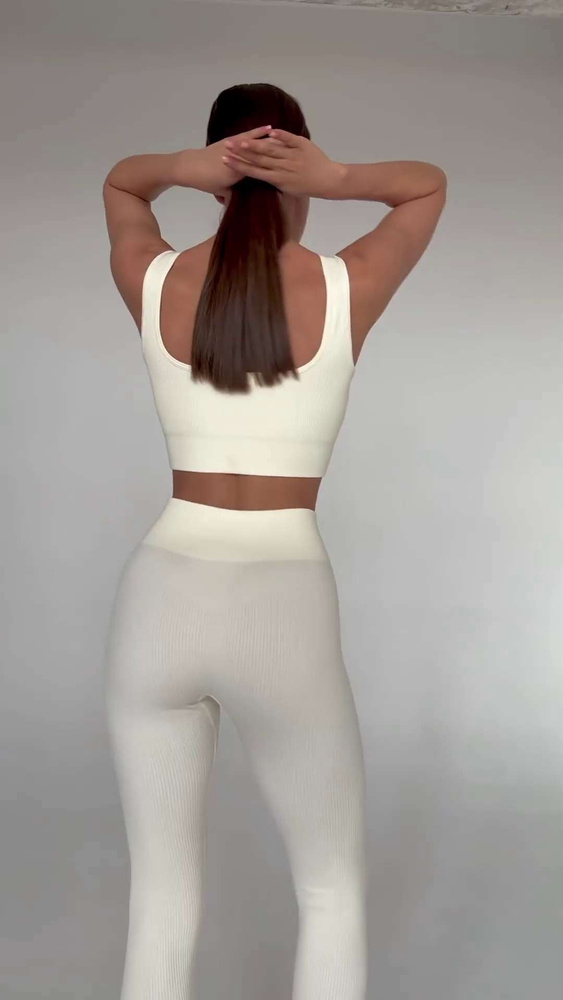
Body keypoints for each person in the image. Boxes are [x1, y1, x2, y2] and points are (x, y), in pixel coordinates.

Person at [102, 82, 446, 1000]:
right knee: (329, 891)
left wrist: (186, 167)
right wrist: (333, 178)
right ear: (298, 165)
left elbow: (122, 184)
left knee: (160, 897)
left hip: (159, 597)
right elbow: (426, 184)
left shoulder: (155, 278)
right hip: (281, 600)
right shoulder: (344, 285)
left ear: (216, 177)